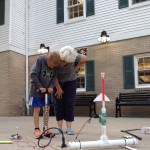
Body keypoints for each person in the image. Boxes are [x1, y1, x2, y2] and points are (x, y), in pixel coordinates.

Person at [53, 46, 87, 135]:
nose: (64, 64)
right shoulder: (56, 56)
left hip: (71, 81)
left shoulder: (74, 55)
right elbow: (53, 74)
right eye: (63, 61)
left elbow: (84, 58)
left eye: (67, 63)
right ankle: (59, 128)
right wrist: (58, 88)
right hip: (57, 82)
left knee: (69, 103)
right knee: (58, 103)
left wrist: (75, 69)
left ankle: (69, 128)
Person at [30, 52, 61, 139]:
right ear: (48, 59)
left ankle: (46, 128)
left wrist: (51, 86)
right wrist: (40, 86)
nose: (51, 67)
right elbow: (33, 74)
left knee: (47, 109)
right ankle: (37, 129)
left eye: (53, 66)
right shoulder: (40, 61)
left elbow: (54, 78)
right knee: (37, 108)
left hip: (47, 91)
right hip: (36, 89)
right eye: (50, 65)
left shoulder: (55, 67)